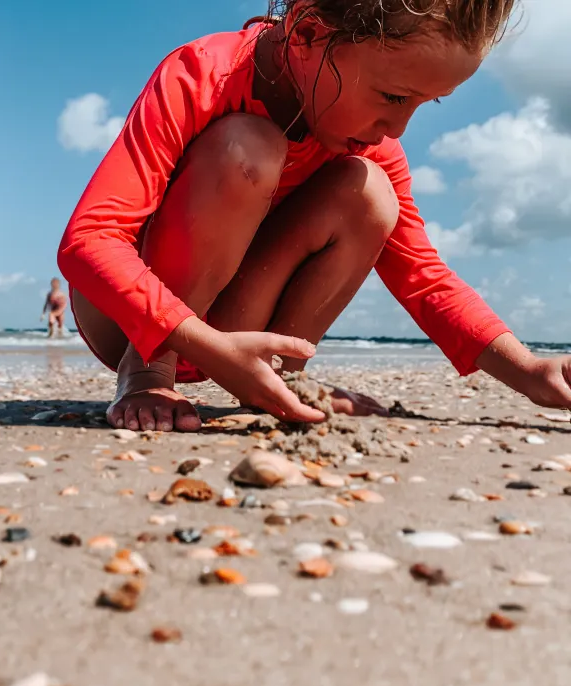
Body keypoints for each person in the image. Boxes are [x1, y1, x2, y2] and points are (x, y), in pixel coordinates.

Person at [58, 0, 571, 434]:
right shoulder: (203, 74)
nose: (397, 127)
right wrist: (186, 347)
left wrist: (528, 370)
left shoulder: (373, 147)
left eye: (424, 103)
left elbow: (422, 276)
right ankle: (149, 372)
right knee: (248, 146)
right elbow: (91, 239)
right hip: (132, 326)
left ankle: (282, 379)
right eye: (393, 96)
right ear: (307, 33)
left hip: (240, 336)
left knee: (371, 192)